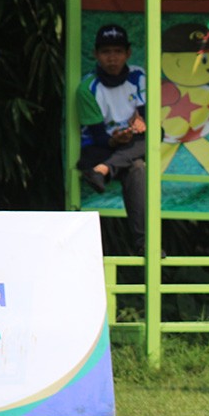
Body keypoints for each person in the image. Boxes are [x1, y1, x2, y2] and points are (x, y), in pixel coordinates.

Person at [76, 23, 148, 254]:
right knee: (137, 166)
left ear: (127, 53)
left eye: (117, 51)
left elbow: (146, 118)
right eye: (106, 52)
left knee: (156, 135)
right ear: (97, 54)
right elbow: (97, 136)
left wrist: (141, 124)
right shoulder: (87, 88)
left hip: (129, 144)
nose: (112, 58)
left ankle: (103, 170)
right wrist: (114, 140)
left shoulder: (139, 76)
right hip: (99, 148)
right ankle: (144, 244)